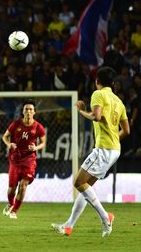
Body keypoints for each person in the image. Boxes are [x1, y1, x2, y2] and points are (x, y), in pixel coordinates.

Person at [52, 66, 130, 237]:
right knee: (86, 188)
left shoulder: (98, 94)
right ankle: (69, 225)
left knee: (78, 183)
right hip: (114, 150)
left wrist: (81, 110)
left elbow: (96, 116)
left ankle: (106, 217)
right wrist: (114, 138)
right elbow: (127, 130)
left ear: (97, 81)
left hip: (103, 149)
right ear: (114, 83)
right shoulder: (119, 101)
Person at [2, 99, 46, 219]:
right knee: (12, 189)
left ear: (34, 112)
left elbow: (43, 143)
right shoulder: (16, 124)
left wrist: (36, 147)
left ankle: (14, 211)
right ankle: (11, 204)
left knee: (23, 184)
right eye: (26, 109)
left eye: (31, 109)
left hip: (29, 160)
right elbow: (5, 137)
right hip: (15, 159)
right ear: (22, 111)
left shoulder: (38, 127)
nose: (28, 111)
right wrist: (9, 144)